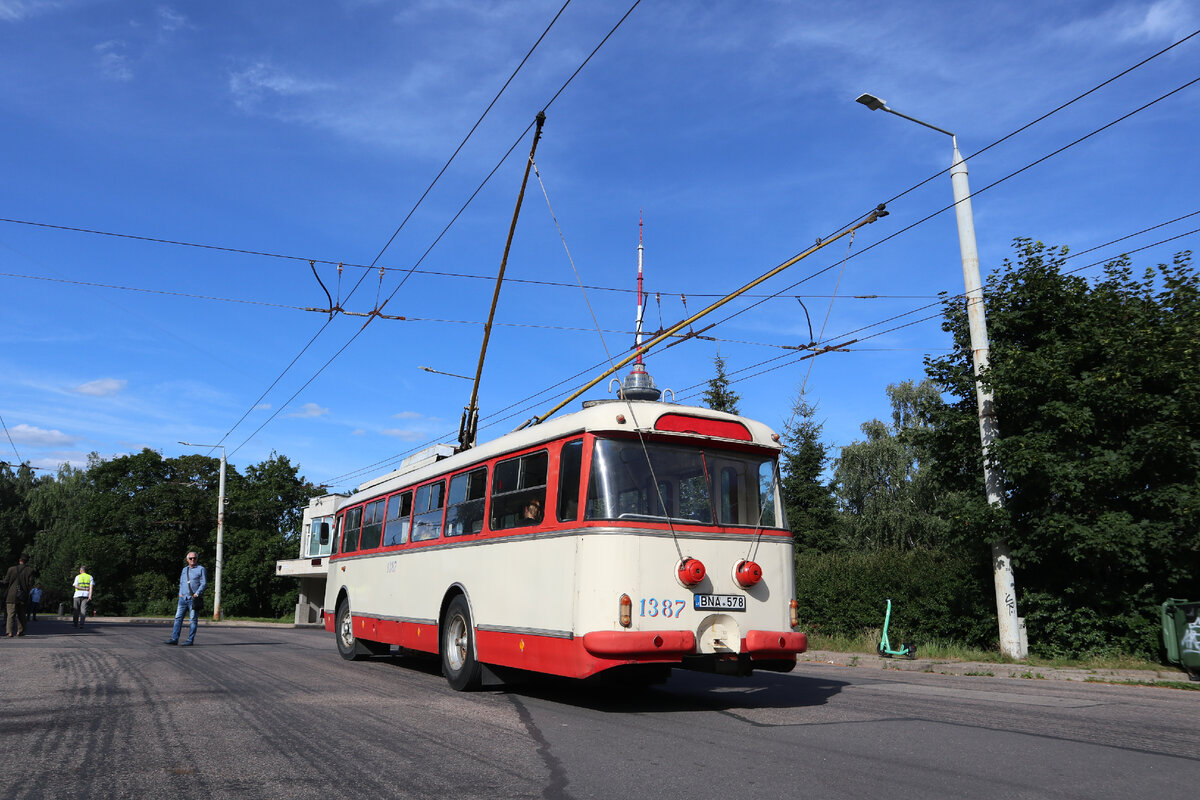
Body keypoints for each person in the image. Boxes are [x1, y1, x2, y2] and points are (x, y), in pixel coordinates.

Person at [164, 551, 207, 647]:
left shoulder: (201, 569)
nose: (192, 560)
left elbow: (204, 583)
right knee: (178, 618)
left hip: (193, 599)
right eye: (190, 558)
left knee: (193, 619)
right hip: (183, 598)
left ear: (197, 559)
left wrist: (197, 593)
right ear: (187, 559)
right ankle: (174, 639)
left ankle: (190, 640)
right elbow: (181, 582)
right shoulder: (184, 569)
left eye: (194, 558)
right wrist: (180, 593)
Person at [4, 554, 35, 637]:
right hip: (23, 595)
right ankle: (20, 631)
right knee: (21, 615)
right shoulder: (30, 570)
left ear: (20, 560)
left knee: (10, 614)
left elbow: (6, 582)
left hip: (11, 595)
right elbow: (31, 583)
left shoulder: (11, 569)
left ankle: (9, 632)